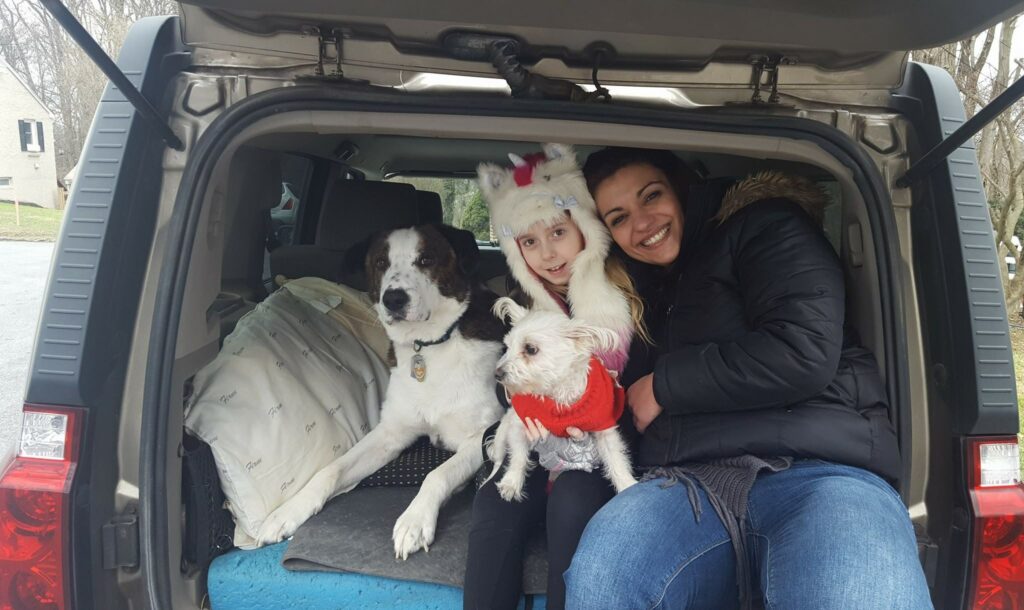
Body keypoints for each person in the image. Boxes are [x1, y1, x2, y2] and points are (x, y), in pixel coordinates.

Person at [561, 147, 931, 609]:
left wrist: (663, 385)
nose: (642, 223)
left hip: (821, 470)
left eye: (651, 196)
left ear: (682, 189)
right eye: (618, 218)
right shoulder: (630, 291)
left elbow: (801, 352)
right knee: (603, 576)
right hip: (685, 485)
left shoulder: (766, 224)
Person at [463, 143, 648, 610]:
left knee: (572, 498)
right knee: (494, 503)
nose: (547, 254)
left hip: (604, 445)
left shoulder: (630, 293)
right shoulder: (522, 304)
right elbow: (508, 379)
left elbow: (644, 391)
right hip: (539, 439)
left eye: (558, 232)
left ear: (585, 226)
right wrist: (518, 411)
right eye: (529, 242)